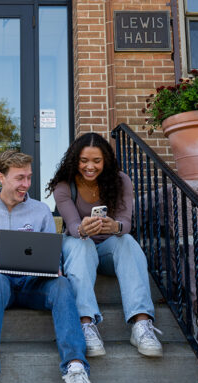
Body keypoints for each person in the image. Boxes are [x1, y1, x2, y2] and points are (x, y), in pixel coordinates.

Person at [0, 149, 95, 383]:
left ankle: (75, 370)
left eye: (29, 178)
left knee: (63, 285)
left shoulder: (40, 210)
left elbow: (50, 250)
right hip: (1, 283)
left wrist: (55, 266)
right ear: (1, 177)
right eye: (20, 178)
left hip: (34, 284)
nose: (26, 185)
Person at [47, 132, 162, 359]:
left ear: (106, 161)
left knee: (127, 241)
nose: (90, 166)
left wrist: (114, 227)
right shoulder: (64, 186)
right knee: (82, 244)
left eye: (96, 161)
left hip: (109, 250)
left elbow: (126, 224)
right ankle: (86, 323)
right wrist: (83, 229)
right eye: (84, 160)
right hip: (79, 248)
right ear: (74, 160)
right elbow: (71, 225)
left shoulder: (121, 181)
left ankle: (141, 324)